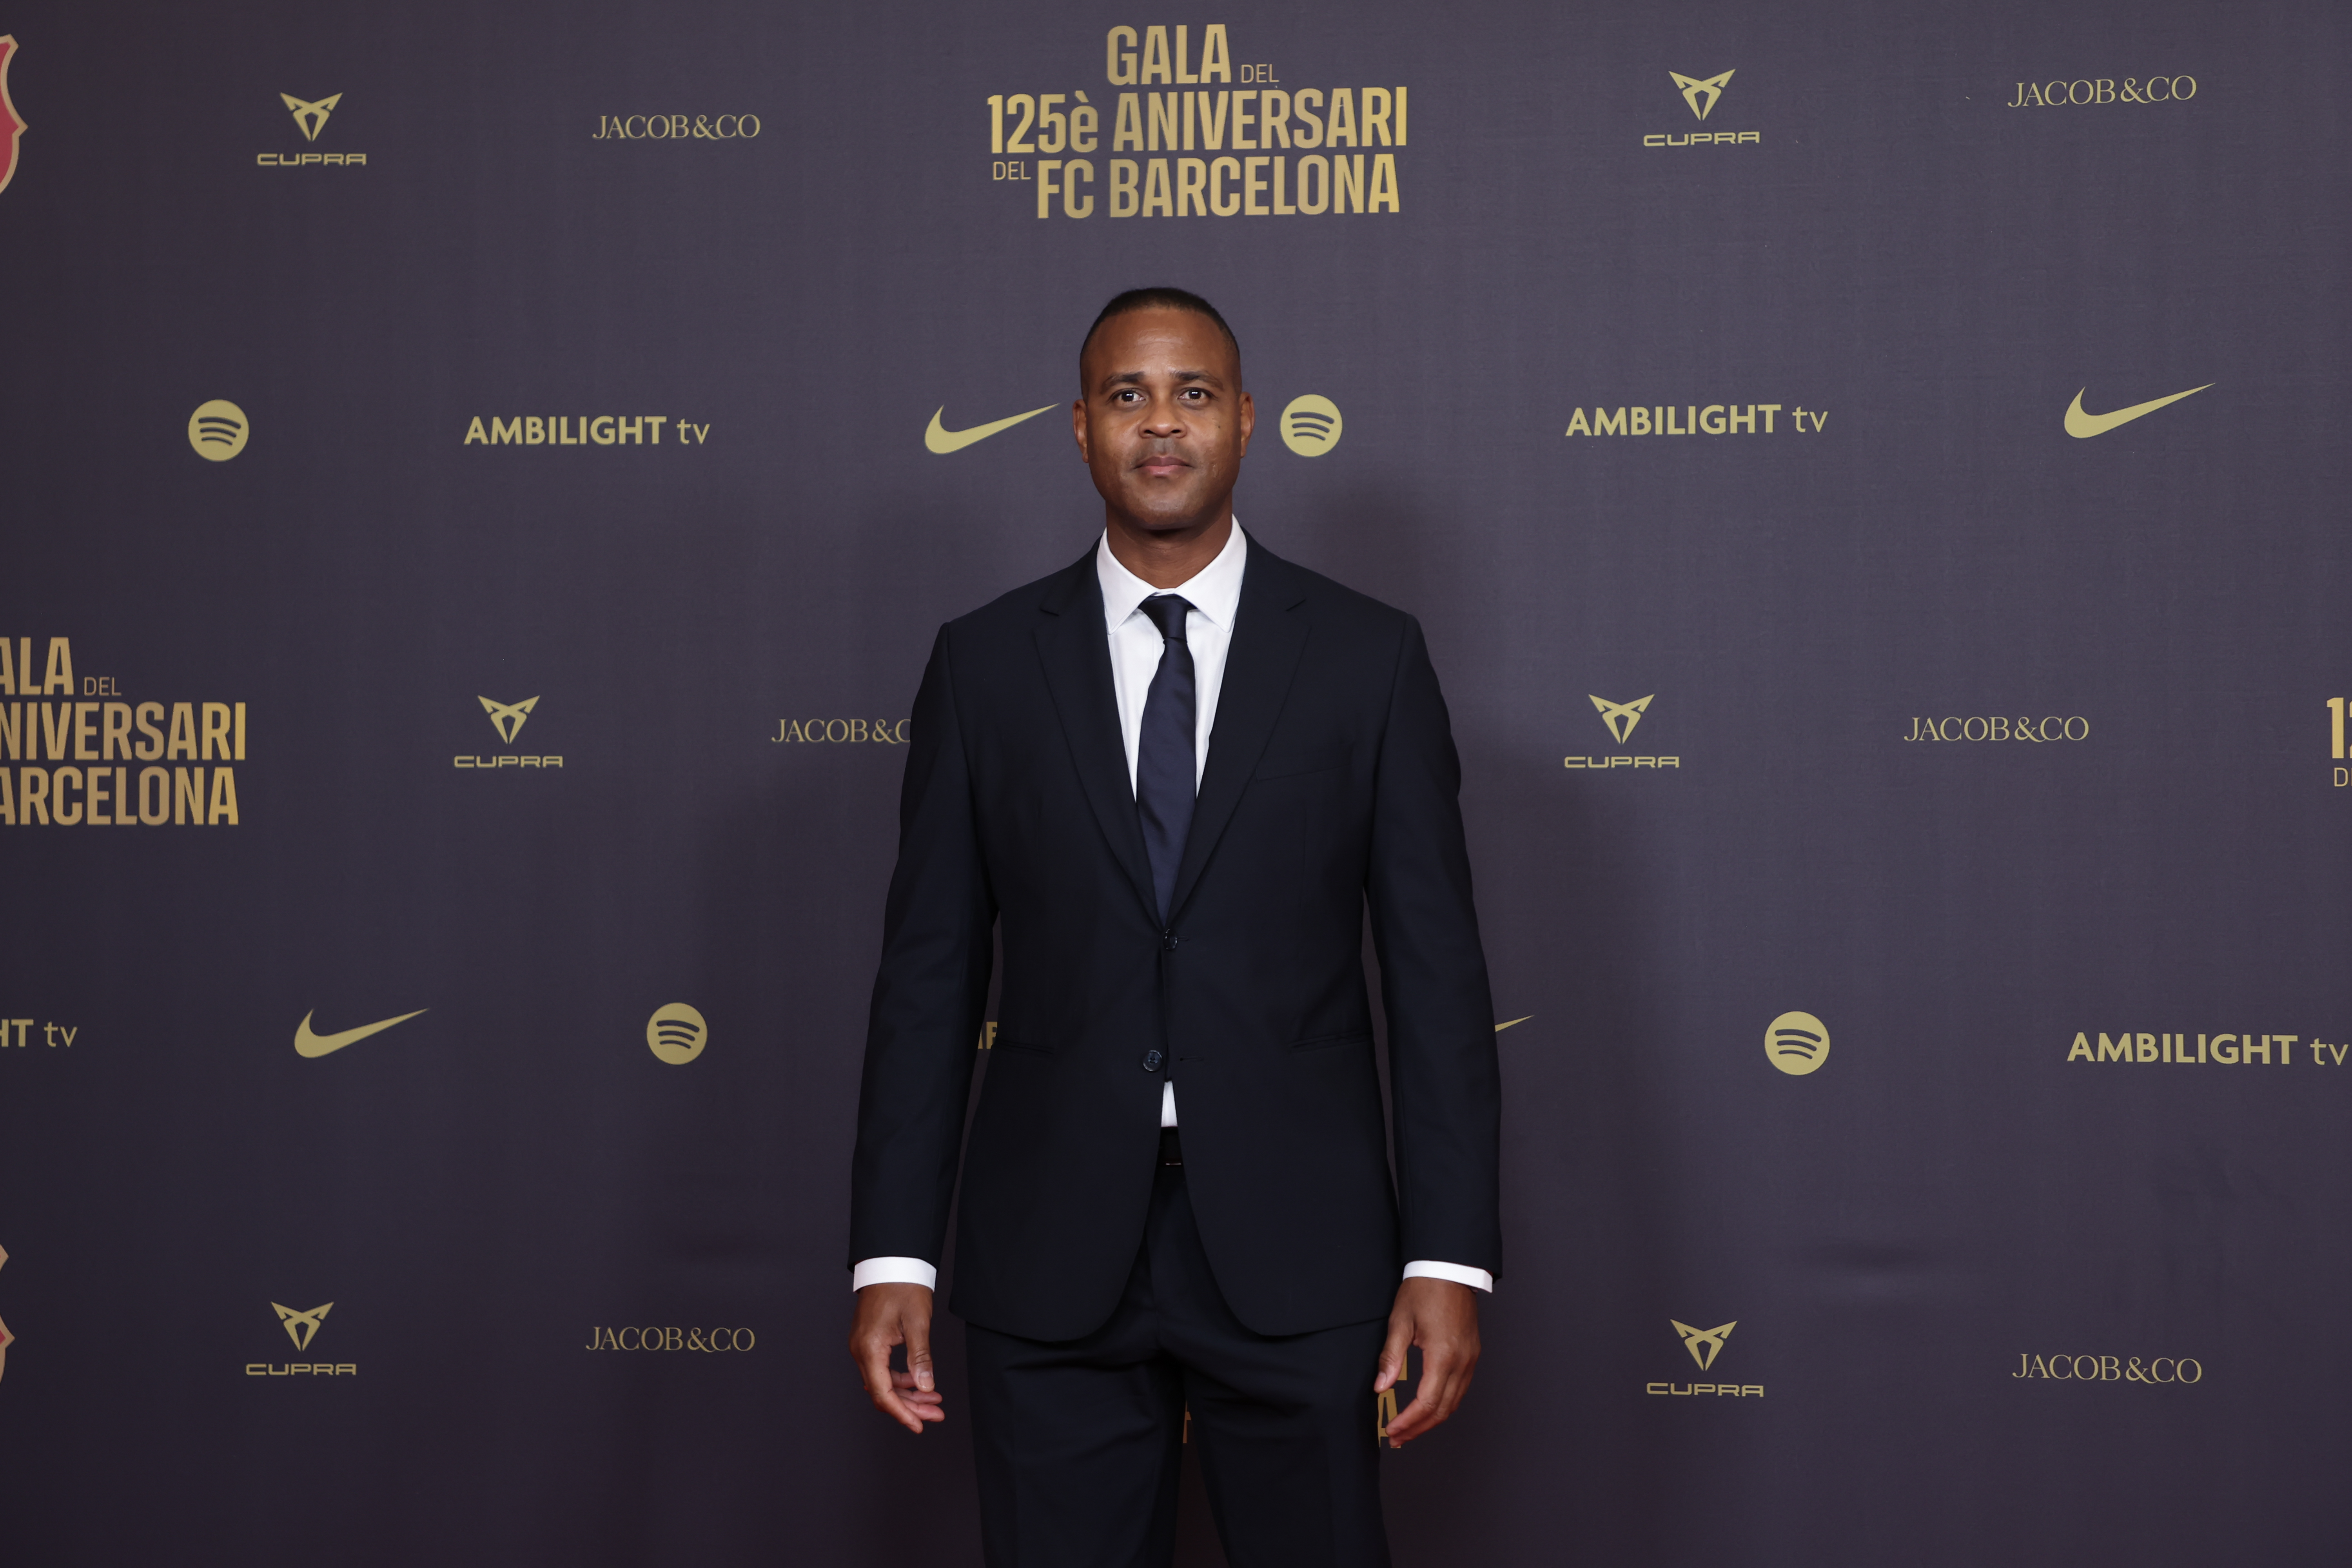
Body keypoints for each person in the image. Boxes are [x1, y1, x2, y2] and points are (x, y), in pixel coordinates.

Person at [846, 287, 1501, 1566]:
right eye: (1127, 395)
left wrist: (1452, 1258)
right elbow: (927, 978)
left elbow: (1436, 980)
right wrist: (891, 1257)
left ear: (1249, 422)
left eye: (1193, 393)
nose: (1162, 424)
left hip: (1304, 1257)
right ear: (1078, 428)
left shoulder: (1370, 659)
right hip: (1048, 1257)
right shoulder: (982, 666)